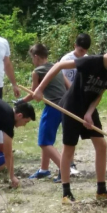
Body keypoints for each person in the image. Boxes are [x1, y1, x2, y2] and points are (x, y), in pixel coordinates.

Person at [33, 37, 107, 204]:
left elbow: (99, 93)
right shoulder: (90, 61)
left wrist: (89, 112)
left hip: (88, 108)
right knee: (69, 149)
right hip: (71, 107)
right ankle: (66, 194)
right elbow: (58, 66)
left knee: (101, 144)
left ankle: (101, 190)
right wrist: (39, 89)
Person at [21, 44, 70, 182]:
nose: (32, 61)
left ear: (36, 57)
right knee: (47, 139)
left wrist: (20, 102)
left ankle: (64, 170)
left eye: (32, 58)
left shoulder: (37, 71)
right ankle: (44, 170)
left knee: (43, 142)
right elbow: (69, 87)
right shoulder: (56, 68)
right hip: (64, 106)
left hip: (53, 107)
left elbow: (34, 93)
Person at [59, 33, 92, 176]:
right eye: (80, 51)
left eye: (84, 51)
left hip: (83, 100)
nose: (82, 54)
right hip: (69, 99)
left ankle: (71, 162)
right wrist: (72, 92)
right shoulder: (66, 59)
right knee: (69, 135)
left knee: (77, 134)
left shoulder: (88, 60)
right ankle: (68, 164)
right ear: (75, 46)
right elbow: (62, 76)